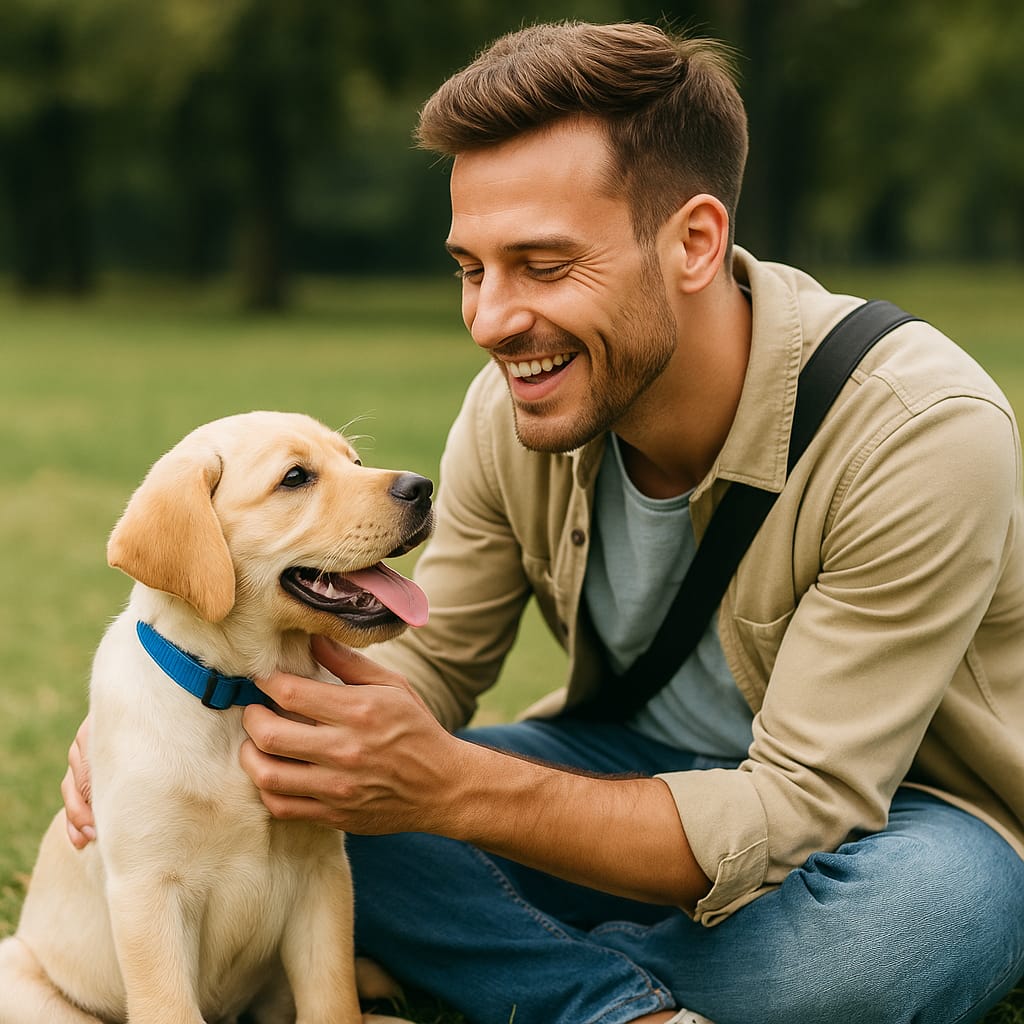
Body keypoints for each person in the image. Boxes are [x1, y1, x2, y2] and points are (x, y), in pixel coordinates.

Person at [62, 20, 1024, 1024]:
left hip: (907, 821)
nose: (490, 320)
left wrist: (456, 793)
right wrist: (178, 725)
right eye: (470, 268)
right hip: (627, 769)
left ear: (694, 241)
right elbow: (425, 670)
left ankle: (501, 968)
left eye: (543, 264)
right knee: (309, 797)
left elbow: (801, 803)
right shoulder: (511, 406)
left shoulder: (917, 428)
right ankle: (615, 1000)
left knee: (902, 939)